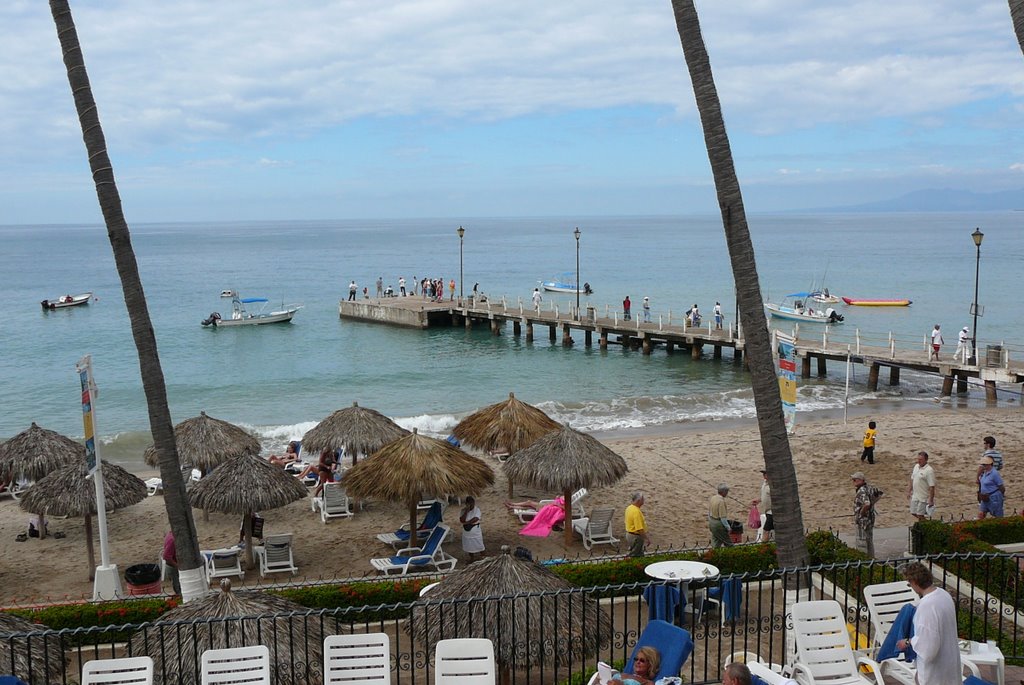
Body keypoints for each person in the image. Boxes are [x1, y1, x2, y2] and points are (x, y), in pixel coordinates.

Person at [895, 562, 962, 685]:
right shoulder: (943, 594)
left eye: (909, 584)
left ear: (914, 582)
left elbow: (928, 648)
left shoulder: (926, 606)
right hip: (950, 663)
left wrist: (907, 642)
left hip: (935, 673)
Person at [852, 471, 883, 557]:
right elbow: (879, 493)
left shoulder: (862, 491)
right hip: (870, 519)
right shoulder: (868, 488)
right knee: (869, 541)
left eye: (855, 480)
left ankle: (864, 562)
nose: (853, 481)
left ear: (861, 480)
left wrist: (861, 513)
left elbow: (867, 503)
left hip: (863, 521)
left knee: (862, 542)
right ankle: (871, 559)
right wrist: (873, 503)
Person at [908, 451, 936, 521]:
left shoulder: (929, 470)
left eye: (921, 460)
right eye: (918, 459)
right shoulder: (916, 466)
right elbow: (912, 479)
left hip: (923, 497)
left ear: (926, 460)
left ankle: (927, 526)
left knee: (920, 514)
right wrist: (909, 491)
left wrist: (931, 500)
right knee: (913, 512)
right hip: (915, 495)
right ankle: (925, 525)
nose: (919, 461)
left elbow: (932, 487)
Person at [624, 491, 650, 557]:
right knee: (635, 555)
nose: (644, 501)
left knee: (637, 553)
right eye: (643, 499)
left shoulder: (629, 508)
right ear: (639, 501)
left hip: (629, 534)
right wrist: (646, 538)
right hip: (635, 537)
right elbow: (639, 528)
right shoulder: (636, 512)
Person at [459, 496, 484, 561]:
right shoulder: (463, 510)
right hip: (466, 531)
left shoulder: (477, 509)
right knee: (469, 545)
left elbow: (476, 518)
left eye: (472, 503)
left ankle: (482, 555)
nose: (471, 505)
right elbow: (462, 520)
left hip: (475, 529)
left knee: (479, 544)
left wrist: (467, 522)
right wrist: (466, 511)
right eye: (469, 503)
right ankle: (472, 558)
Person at [708, 483, 732, 548]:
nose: (727, 493)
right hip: (718, 525)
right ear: (724, 492)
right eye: (727, 492)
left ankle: (713, 554)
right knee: (728, 543)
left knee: (715, 542)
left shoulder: (713, 498)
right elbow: (723, 518)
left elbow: (709, 513)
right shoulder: (721, 502)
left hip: (711, 522)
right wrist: (728, 528)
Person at [754, 469, 773, 542]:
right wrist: (758, 500)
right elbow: (764, 495)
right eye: (763, 473)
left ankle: (764, 547)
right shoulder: (765, 483)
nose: (764, 475)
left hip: (772, 512)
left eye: (765, 474)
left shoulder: (772, 486)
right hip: (767, 511)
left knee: (766, 530)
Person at [162, 530, 180, 596]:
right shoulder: (172, 539)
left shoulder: (171, 534)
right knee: (180, 592)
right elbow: (167, 557)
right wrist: (178, 567)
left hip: (176, 565)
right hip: (174, 567)